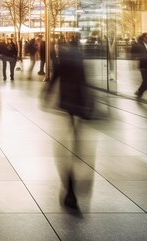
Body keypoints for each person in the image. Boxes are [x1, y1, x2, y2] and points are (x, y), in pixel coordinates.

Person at [45, 37, 94, 211]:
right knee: (76, 142)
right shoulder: (80, 57)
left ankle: (70, 190)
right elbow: (85, 81)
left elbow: (54, 79)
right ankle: (74, 188)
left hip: (67, 102)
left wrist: (46, 95)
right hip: (79, 102)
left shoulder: (63, 59)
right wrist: (90, 103)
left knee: (66, 147)